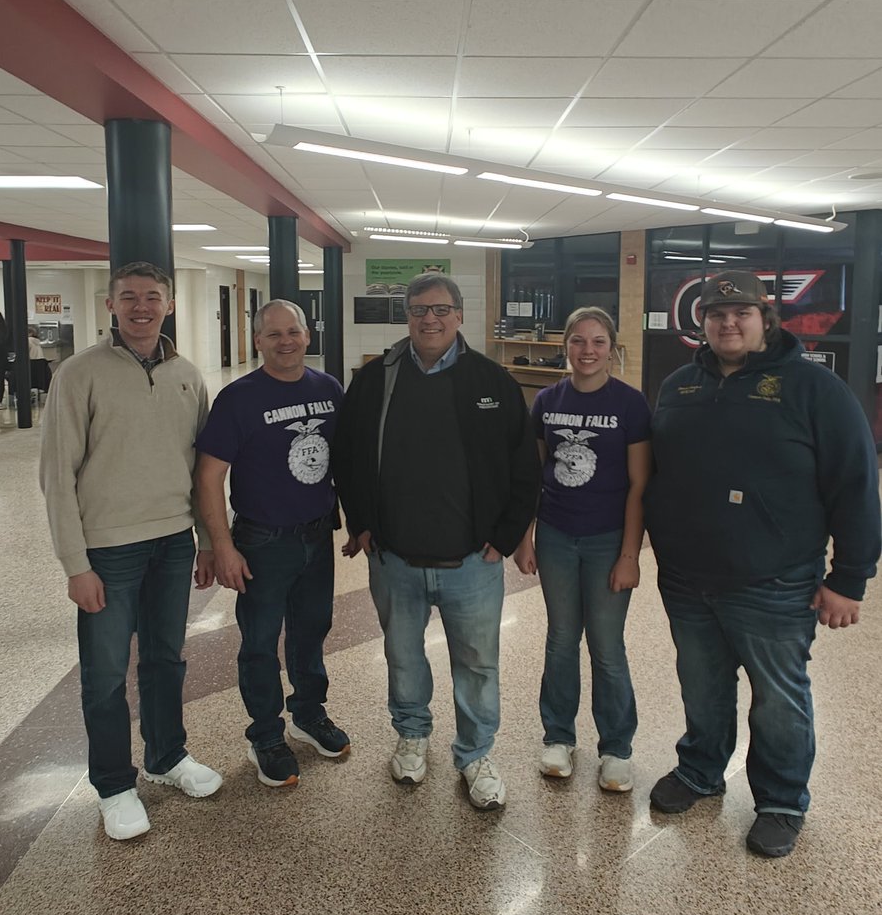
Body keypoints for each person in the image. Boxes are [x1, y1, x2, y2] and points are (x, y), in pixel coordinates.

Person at [645, 270, 880, 858]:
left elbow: (855, 484)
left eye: (741, 313)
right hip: (687, 577)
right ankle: (700, 770)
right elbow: (656, 474)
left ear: (765, 318)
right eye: (716, 314)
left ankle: (780, 800)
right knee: (702, 688)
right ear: (699, 322)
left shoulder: (813, 389)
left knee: (779, 699)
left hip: (773, 581)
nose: (728, 323)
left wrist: (849, 579)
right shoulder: (679, 386)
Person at [334, 273, 540, 810]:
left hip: (472, 560)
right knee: (403, 658)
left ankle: (475, 754)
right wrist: (360, 521)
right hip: (395, 558)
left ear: (460, 315)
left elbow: (524, 466)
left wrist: (505, 535)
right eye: (420, 310)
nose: (431, 319)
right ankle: (412, 735)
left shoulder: (492, 381)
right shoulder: (375, 379)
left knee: (477, 662)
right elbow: (348, 457)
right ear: (407, 316)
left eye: (441, 309)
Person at [39, 262, 222, 841]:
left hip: (171, 543)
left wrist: (204, 540)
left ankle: (167, 758)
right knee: (104, 673)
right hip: (109, 551)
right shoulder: (78, 373)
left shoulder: (188, 375)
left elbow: (199, 472)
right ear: (110, 304)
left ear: (168, 304)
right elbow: (57, 476)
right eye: (128, 297)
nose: (141, 306)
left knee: (166, 659)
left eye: (152, 297)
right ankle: (115, 785)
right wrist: (76, 564)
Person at [195, 299, 350, 789]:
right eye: (273, 334)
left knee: (311, 630)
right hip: (262, 540)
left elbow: (346, 461)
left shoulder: (329, 390)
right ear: (258, 341)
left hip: (316, 532)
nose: (285, 341)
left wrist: (358, 520)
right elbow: (208, 477)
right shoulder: (238, 398)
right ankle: (265, 733)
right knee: (260, 643)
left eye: (293, 332)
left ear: (308, 336)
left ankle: (308, 711)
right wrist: (222, 545)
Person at [515, 307, 651, 790]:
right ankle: (558, 737)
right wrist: (524, 535)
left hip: (608, 541)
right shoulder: (547, 401)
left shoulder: (631, 405)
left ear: (611, 348)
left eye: (597, 342)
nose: (587, 351)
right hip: (555, 535)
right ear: (565, 346)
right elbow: (533, 475)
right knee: (560, 638)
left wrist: (630, 555)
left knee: (607, 646)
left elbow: (639, 485)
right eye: (578, 341)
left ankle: (616, 747)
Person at [28, 325, 52, 398]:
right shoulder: (38, 342)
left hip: (31, 361)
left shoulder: (28, 340)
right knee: (39, 380)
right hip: (41, 361)